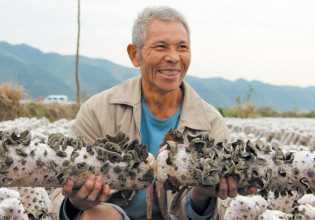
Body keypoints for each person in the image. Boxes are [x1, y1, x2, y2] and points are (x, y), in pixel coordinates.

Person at [49, 6, 256, 220]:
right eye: (161, 47)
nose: (174, 57)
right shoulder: (98, 111)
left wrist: (202, 193)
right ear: (134, 55)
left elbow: (222, 208)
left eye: (182, 47)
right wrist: (75, 203)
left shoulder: (210, 122)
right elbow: (58, 193)